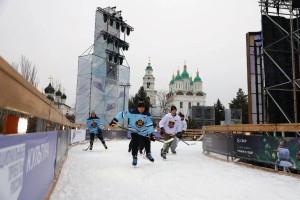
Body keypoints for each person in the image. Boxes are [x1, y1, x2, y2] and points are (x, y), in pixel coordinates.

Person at [109, 100, 155, 166]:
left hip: (143, 131)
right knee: (135, 142)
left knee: (147, 141)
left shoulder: (147, 114)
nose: (141, 109)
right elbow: (121, 114)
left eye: (143, 107)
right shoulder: (131, 112)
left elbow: (149, 124)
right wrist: (115, 120)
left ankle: (148, 154)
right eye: (140, 107)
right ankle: (134, 156)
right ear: (137, 107)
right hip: (134, 131)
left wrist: (150, 134)